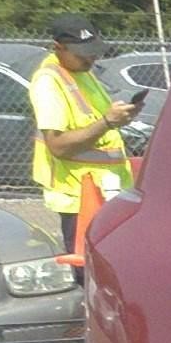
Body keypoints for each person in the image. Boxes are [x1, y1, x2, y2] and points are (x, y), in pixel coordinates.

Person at [28, 15, 137, 253]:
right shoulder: (49, 82)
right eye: (82, 53)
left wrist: (119, 117)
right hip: (79, 197)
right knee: (88, 272)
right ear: (58, 48)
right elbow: (58, 146)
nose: (90, 57)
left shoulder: (82, 73)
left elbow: (96, 124)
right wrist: (108, 121)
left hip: (105, 191)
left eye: (93, 51)